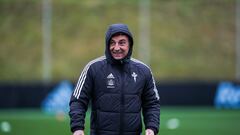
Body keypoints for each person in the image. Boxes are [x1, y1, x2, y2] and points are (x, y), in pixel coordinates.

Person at [69, 23, 160, 135]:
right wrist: (78, 128)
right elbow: (78, 101)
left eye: (122, 43)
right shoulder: (93, 68)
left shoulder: (143, 70)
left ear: (130, 44)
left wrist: (151, 127)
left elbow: (152, 103)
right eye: (112, 43)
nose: (116, 48)